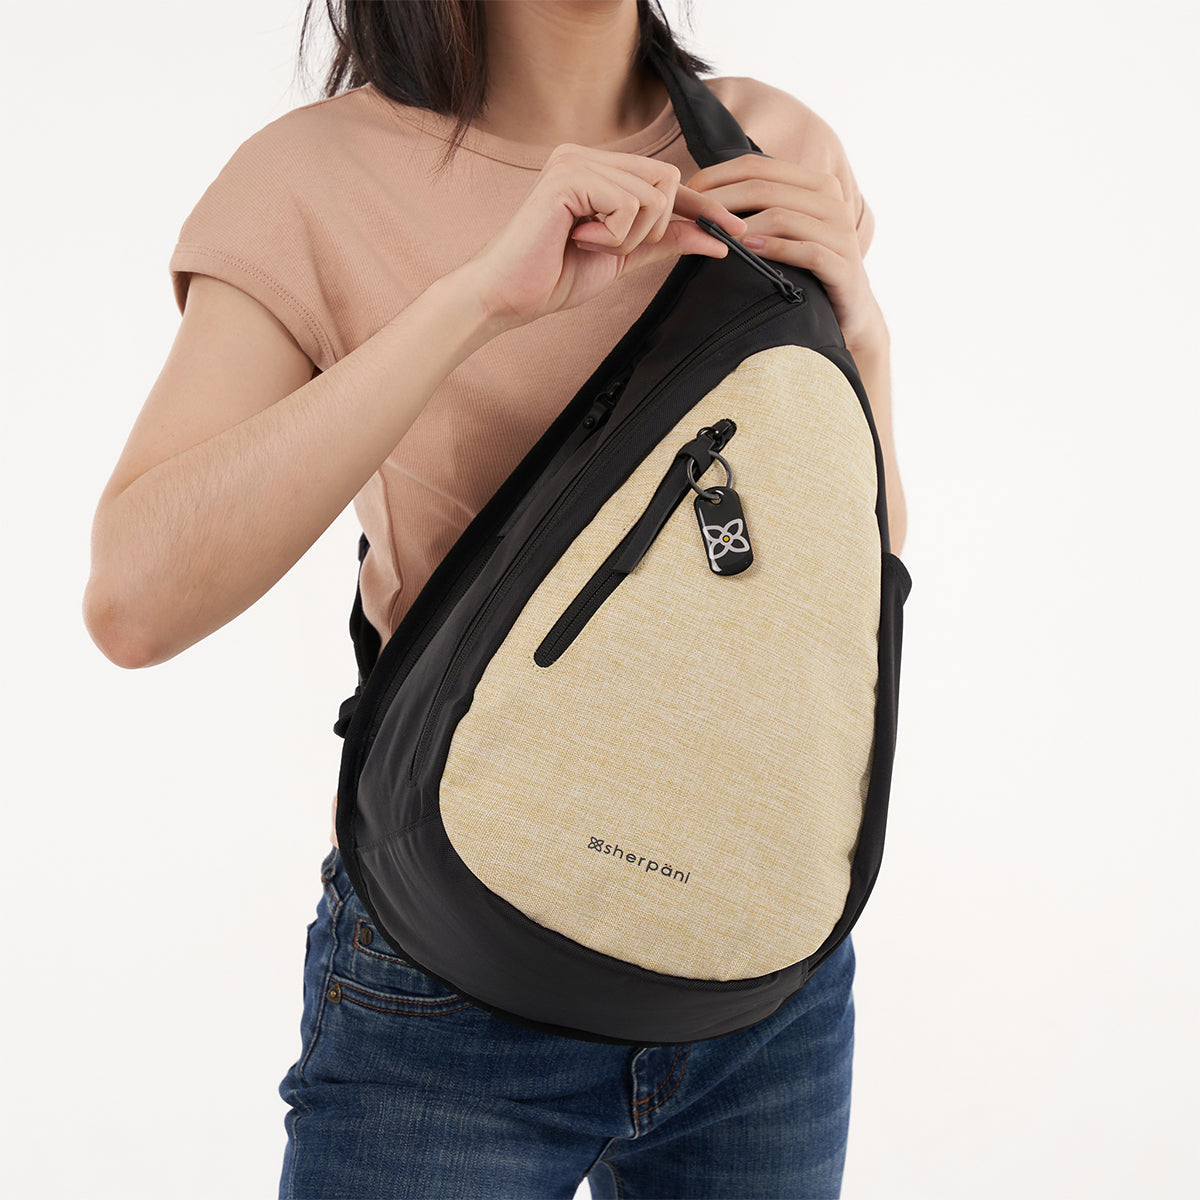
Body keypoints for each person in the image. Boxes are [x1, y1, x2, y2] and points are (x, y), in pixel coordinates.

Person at [83, 1, 906, 1195]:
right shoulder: (312, 181)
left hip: (759, 976)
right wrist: (476, 302)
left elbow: (845, 579)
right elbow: (133, 601)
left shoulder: (769, 146)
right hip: (454, 981)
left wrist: (865, 341)